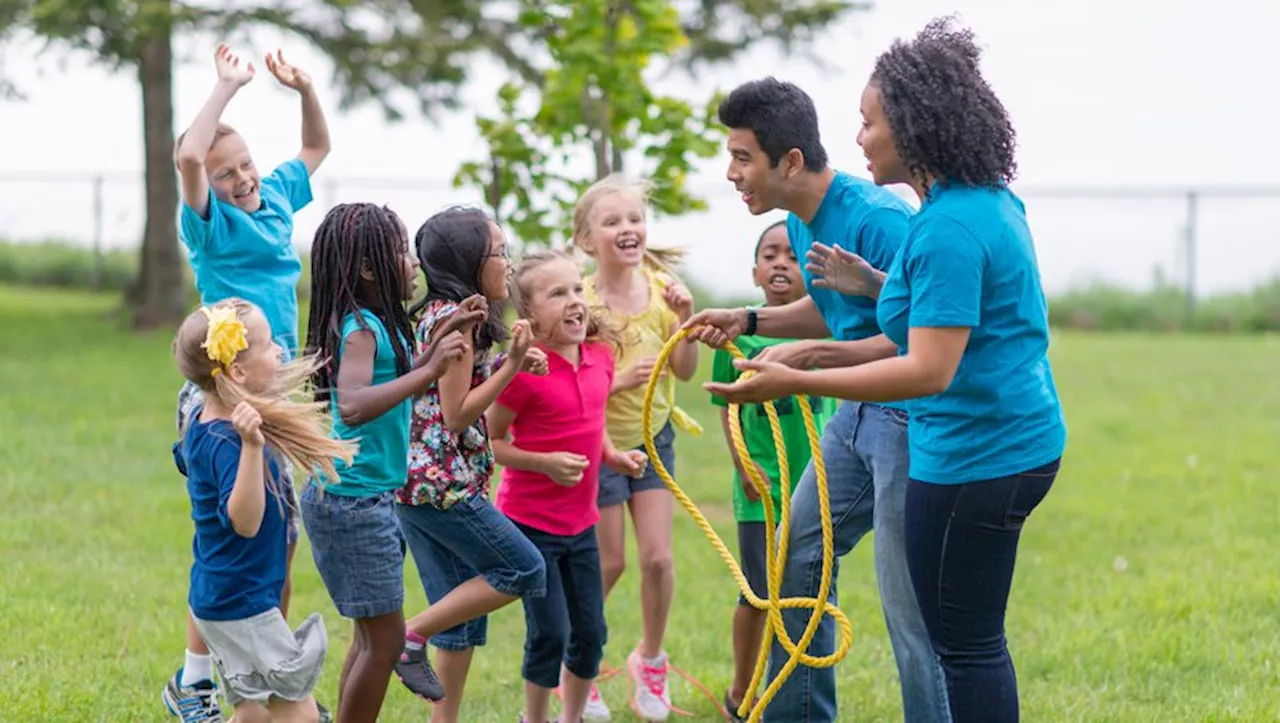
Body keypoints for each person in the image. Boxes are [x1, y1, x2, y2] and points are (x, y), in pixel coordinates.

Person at [706, 17, 1068, 723]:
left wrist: (802, 372)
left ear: (913, 125)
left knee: (939, 634)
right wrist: (761, 321)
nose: (860, 137)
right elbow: (908, 312)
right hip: (948, 431)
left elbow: (924, 363)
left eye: (869, 122)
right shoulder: (960, 207)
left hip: (951, 438)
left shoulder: (933, 225)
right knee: (815, 561)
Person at [684, 77, 950, 723]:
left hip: (908, 419)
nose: (732, 173)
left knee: (908, 609)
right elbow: (833, 311)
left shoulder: (878, 219)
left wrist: (806, 361)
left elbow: (920, 339)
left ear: (791, 161)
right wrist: (747, 320)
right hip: (852, 416)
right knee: (798, 558)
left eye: (743, 157)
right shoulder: (804, 224)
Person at [166, 43, 332, 723]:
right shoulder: (209, 226)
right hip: (226, 392)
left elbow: (317, 147)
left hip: (272, 389)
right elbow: (186, 159)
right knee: (229, 537)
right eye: (224, 172)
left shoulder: (275, 203)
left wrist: (304, 89)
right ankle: (198, 678)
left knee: (278, 535)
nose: (240, 178)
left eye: (244, 166)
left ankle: (261, 672)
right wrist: (226, 89)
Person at [300, 202, 477, 723]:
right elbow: (352, 405)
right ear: (371, 269)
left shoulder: (379, 324)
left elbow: (393, 382)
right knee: (386, 642)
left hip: (366, 497)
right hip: (352, 503)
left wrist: (442, 341)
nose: (414, 262)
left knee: (371, 637)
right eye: (402, 251)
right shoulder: (360, 329)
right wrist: (428, 374)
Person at [393, 207, 550, 723]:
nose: (508, 262)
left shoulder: (449, 314)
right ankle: (409, 635)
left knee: (461, 626)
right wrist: (509, 367)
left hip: (421, 487)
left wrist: (511, 358)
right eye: (498, 253)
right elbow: (458, 414)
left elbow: (448, 398)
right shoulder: (451, 323)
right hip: (443, 489)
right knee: (523, 567)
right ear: (467, 262)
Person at [172, 299, 356, 723]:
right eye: (270, 344)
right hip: (241, 604)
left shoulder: (205, 415)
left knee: (255, 714)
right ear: (236, 372)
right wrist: (253, 448)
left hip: (223, 598)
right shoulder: (228, 441)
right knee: (302, 716)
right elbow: (245, 520)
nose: (279, 352)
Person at [492, 250, 650, 723]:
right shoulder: (522, 374)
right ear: (530, 315)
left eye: (577, 289)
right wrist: (543, 463)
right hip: (530, 525)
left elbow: (590, 416)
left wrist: (612, 455)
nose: (574, 300)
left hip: (582, 525)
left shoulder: (600, 358)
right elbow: (490, 442)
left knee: (591, 633)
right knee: (550, 634)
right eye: (557, 293)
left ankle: (572, 717)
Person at [574, 174, 699, 722]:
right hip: (597, 441)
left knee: (657, 559)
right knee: (610, 563)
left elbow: (686, 371)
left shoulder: (662, 292)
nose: (628, 229)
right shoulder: (580, 298)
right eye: (613, 221)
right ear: (587, 240)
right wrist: (620, 381)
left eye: (634, 219)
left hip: (655, 438)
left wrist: (688, 320)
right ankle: (579, 669)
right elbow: (571, 378)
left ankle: (650, 660)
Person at [708, 222, 840, 721]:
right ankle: (742, 690)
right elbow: (728, 408)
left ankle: (786, 685)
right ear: (755, 271)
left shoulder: (826, 328)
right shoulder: (736, 338)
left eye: (790, 254)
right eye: (769, 255)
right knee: (760, 593)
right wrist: (743, 465)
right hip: (761, 485)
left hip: (816, 482)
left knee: (804, 592)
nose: (780, 262)